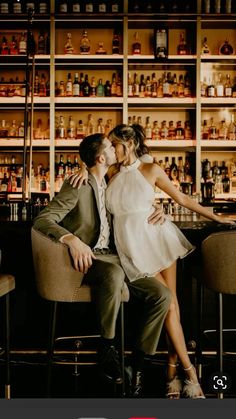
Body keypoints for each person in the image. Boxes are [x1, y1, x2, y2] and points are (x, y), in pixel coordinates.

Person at [33, 133, 172, 396]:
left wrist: (158, 209)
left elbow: (136, 204)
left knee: (161, 294)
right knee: (113, 272)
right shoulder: (77, 184)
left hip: (118, 257)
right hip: (90, 260)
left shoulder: (112, 182)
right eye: (110, 147)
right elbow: (43, 220)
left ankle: (137, 365)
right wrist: (72, 239)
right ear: (101, 157)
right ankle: (107, 348)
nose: (115, 149)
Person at [105, 123, 235, 398]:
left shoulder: (151, 170)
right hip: (132, 248)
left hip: (158, 238)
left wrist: (216, 217)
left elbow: (182, 198)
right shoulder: (111, 172)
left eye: (113, 144)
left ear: (127, 144)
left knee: (171, 304)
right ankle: (186, 371)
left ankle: (175, 371)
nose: (110, 149)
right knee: (166, 303)